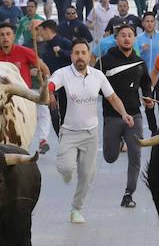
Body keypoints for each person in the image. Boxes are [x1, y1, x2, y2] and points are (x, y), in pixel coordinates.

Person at [47, 37, 133, 224]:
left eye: (83, 53)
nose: (80, 57)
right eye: (76, 53)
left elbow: (112, 98)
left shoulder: (97, 76)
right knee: (66, 169)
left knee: (87, 176)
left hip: (91, 134)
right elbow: (52, 82)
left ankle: (76, 209)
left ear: (88, 56)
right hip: (69, 132)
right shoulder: (64, 73)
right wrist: (50, 90)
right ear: (71, 56)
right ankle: (69, 167)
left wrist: (124, 114)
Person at [100, 22, 155, 209]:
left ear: (134, 38)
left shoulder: (139, 62)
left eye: (130, 35)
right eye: (122, 35)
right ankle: (118, 142)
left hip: (134, 115)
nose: (126, 38)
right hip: (112, 116)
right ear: (116, 39)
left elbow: (146, 84)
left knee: (136, 155)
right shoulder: (105, 61)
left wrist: (148, 98)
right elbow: (96, 87)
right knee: (110, 157)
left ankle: (128, 193)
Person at [0, 21, 51, 153]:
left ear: (13, 36)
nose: (5, 37)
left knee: (43, 110)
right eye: (2, 35)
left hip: (25, 94)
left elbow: (44, 68)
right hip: (3, 96)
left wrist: (46, 87)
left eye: (8, 34)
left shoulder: (25, 51)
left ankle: (43, 139)